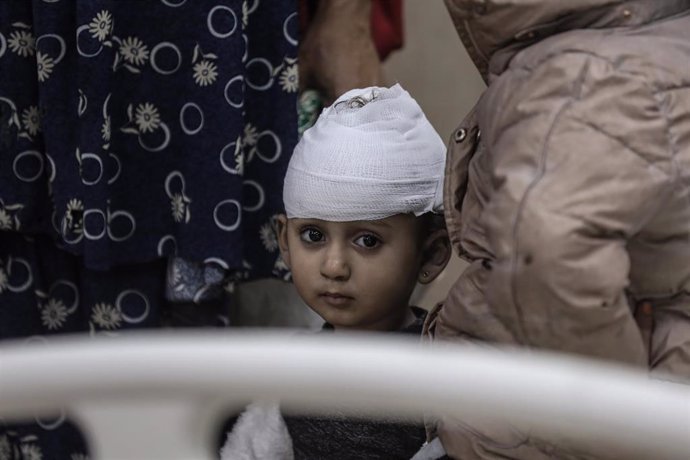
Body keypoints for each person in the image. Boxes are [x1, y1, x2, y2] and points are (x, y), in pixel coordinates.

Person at [426, 1, 690, 458]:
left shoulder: (580, 81)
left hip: (541, 433)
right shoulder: (662, 42)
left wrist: (610, 420)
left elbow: (551, 249)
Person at [220, 83, 452, 460]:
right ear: (284, 239)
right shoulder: (294, 369)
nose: (334, 266)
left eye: (367, 241)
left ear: (431, 256)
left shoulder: (447, 372)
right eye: (313, 235)